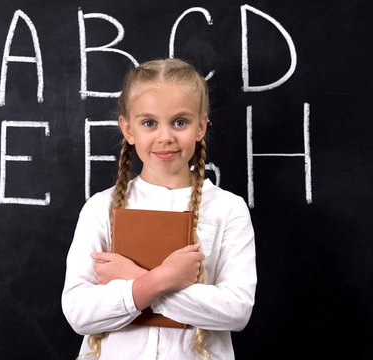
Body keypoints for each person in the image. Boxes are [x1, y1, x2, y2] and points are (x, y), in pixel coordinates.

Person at [62, 58, 256, 360]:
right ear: (128, 129)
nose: (165, 137)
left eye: (180, 122)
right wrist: (162, 279)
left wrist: (134, 279)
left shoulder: (228, 209)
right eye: (149, 123)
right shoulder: (100, 208)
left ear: (201, 126)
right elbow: (79, 312)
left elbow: (236, 310)